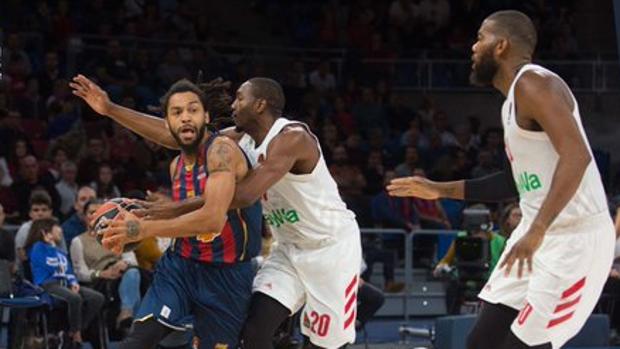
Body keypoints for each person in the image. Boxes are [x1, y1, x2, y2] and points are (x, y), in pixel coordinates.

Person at [71, 75, 363, 348]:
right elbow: (178, 136)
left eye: (240, 98)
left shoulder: (292, 138)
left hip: (330, 250)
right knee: (253, 333)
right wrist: (110, 109)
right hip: (288, 250)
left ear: (260, 104)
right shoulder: (243, 139)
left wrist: (169, 211)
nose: (233, 104)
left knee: (327, 344)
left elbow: (243, 195)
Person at [387, 10, 615, 349]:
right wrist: (440, 190)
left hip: (573, 238)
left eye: (481, 37)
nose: (473, 46)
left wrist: (536, 230)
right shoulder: (511, 104)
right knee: (482, 341)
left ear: (501, 45)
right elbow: (512, 183)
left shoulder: (534, 83)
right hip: (536, 235)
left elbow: (578, 155)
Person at [72, 76, 263, 349]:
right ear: (169, 122)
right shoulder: (177, 166)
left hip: (227, 274)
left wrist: (142, 228)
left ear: (206, 116)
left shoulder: (221, 150)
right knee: (139, 340)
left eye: (192, 110)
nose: (185, 118)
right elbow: (183, 212)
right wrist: (110, 108)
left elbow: (211, 219)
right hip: (181, 265)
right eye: (176, 113)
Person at [25, 217, 105, 348]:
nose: (61, 230)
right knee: (75, 298)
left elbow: (68, 270)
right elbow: (48, 268)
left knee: (97, 298)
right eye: (57, 228)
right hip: (48, 284)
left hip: (65, 284)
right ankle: (76, 333)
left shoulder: (60, 251)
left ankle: (73, 331)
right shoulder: (38, 248)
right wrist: (50, 247)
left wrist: (74, 282)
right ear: (46, 232)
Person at [70, 199, 142, 331]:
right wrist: (102, 273)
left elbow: (131, 259)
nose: (96, 215)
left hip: (122, 273)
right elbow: (80, 272)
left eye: (100, 212)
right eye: (92, 212)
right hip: (100, 281)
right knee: (134, 279)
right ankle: (134, 328)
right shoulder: (78, 241)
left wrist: (123, 263)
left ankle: (127, 315)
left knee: (134, 273)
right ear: (84, 217)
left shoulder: (117, 235)